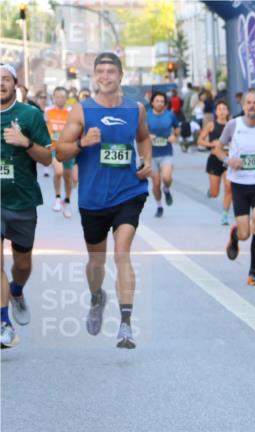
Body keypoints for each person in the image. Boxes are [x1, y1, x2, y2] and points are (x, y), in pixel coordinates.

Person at [55, 52, 152, 349]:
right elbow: (60, 152)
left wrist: (147, 161)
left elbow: (144, 138)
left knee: (122, 252)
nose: (106, 76)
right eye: (101, 72)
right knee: (96, 262)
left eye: (111, 71)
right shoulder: (82, 111)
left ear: (121, 76)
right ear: (94, 77)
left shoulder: (135, 109)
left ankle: (125, 325)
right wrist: (82, 143)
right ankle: (97, 297)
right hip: (94, 199)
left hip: (129, 192)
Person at [1, 63, 53, 348]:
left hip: (21, 201)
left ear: (15, 84)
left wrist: (25, 142)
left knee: (22, 263)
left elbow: (46, 158)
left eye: (5, 79)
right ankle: (4, 323)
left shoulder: (30, 115)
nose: (0, 83)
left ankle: (17, 290)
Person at [216, 89, 255, 286]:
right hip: (240, 184)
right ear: (243, 106)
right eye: (248, 103)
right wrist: (228, 160)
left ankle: (253, 272)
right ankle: (235, 236)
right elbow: (217, 148)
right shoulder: (234, 125)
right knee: (245, 233)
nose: (252, 106)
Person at [198, 98, 233, 225]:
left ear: (228, 111)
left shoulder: (232, 125)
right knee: (215, 193)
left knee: (229, 187)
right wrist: (210, 144)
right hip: (214, 159)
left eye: (224, 109)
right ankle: (210, 191)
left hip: (228, 160)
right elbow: (200, 140)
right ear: (216, 112)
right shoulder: (211, 125)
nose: (222, 112)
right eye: (219, 109)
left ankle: (224, 215)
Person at [44, 86, 76, 219]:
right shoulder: (48, 111)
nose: (60, 99)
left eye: (63, 97)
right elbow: (44, 128)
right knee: (58, 172)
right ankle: (57, 198)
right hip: (54, 147)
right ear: (53, 98)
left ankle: (67, 202)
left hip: (68, 148)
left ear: (66, 98)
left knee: (68, 178)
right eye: (57, 97)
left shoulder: (72, 112)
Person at [147, 91, 180, 217]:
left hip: (166, 151)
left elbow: (177, 129)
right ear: (152, 102)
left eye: (162, 101)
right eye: (157, 101)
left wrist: (174, 135)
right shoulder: (147, 115)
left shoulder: (170, 115)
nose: (160, 103)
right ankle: (159, 206)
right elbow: (139, 132)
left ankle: (166, 189)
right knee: (155, 183)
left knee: (166, 178)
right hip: (151, 154)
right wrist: (147, 135)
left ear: (165, 103)